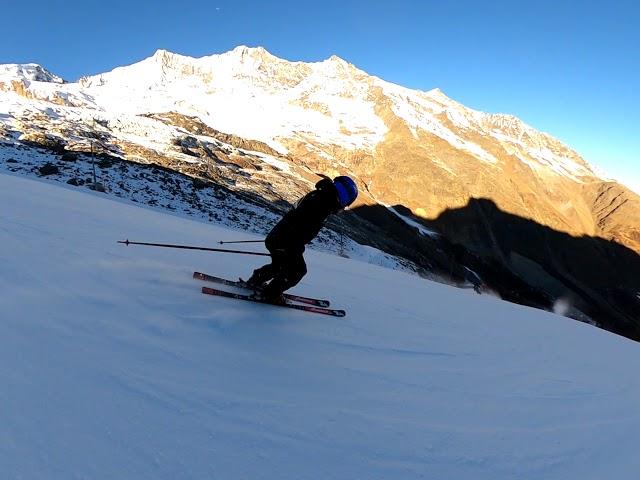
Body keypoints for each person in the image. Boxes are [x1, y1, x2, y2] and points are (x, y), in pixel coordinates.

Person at [245, 175, 358, 303]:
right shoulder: (322, 203)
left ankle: (256, 281)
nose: (343, 208)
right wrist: (294, 246)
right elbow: (300, 226)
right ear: (342, 197)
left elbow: (297, 220)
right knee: (297, 271)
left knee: (279, 266)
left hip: (278, 238)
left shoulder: (319, 196)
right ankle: (270, 294)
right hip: (286, 242)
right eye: (346, 204)